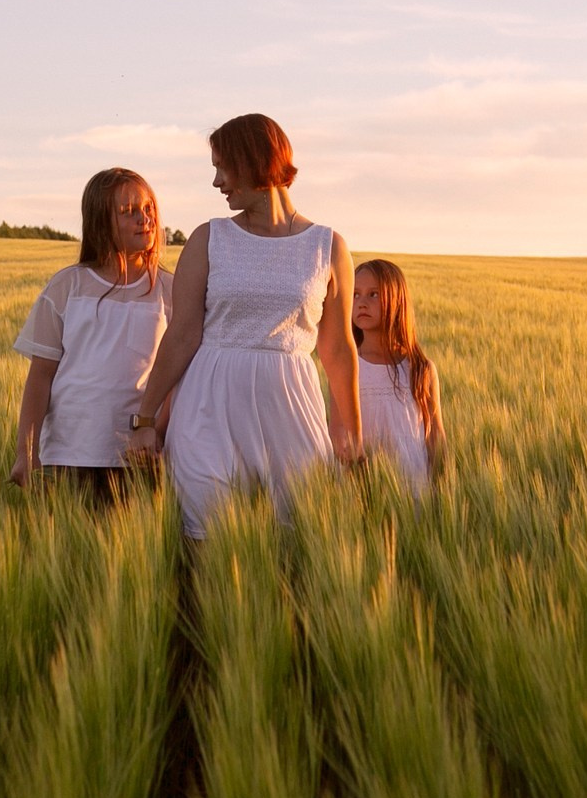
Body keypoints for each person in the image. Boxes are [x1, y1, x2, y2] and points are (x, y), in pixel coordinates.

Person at [131, 114, 360, 539]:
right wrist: (145, 421)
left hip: (291, 408)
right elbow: (182, 334)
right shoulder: (208, 238)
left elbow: (338, 347)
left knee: (293, 539)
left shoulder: (328, 246)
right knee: (204, 534)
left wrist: (350, 429)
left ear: (255, 162)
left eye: (223, 167)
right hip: (208, 404)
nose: (217, 182)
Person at [9, 168, 172, 502]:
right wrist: (26, 452)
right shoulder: (68, 287)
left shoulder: (170, 289)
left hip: (140, 455)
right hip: (70, 453)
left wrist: (158, 432)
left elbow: (179, 374)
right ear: (100, 222)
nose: (145, 219)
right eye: (129, 212)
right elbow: (40, 376)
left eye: (149, 209)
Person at [350, 258, 445, 492]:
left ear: (397, 301)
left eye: (373, 294)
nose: (362, 303)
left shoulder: (420, 368)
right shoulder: (348, 366)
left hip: (413, 482)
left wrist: (441, 487)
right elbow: (341, 433)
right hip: (366, 484)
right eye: (355, 295)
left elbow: (435, 435)